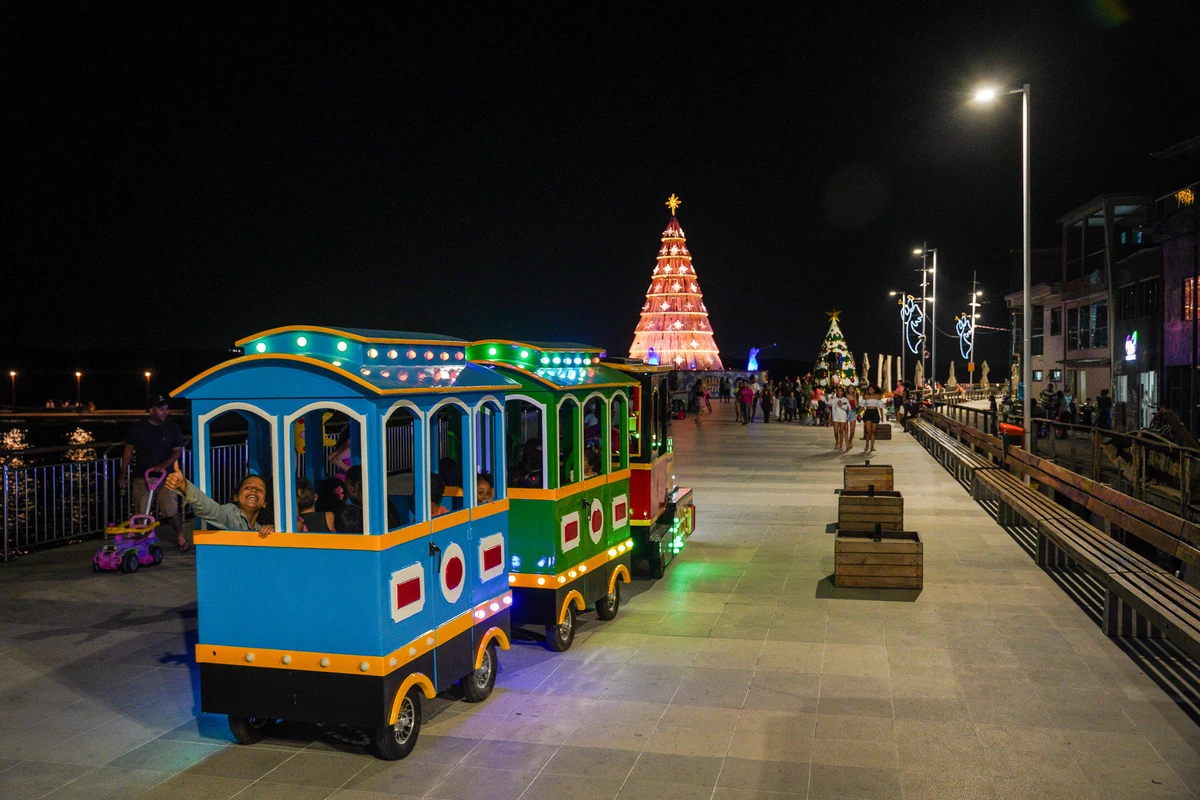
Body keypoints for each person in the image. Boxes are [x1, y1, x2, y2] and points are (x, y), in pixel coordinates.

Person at [121, 395, 186, 551]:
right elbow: (128, 450)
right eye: (161, 409)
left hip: (166, 477)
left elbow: (177, 451)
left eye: (167, 409)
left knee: (170, 510)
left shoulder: (172, 427)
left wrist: (163, 465)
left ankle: (180, 535)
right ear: (151, 410)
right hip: (142, 475)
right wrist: (123, 473)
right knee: (140, 512)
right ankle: (141, 542)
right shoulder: (138, 427)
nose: (165, 412)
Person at [164, 461, 274, 535]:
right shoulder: (232, 515)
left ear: (265, 503)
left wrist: (272, 533)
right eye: (247, 487)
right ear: (236, 497)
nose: (253, 490)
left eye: (259, 489)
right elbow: (212, 510)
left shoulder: (260, 528)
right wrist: (184, 486)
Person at [861, 385, 885, 454]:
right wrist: (859, 414)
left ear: (874, 390)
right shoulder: (865, 396)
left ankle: (872, 446)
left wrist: (882, 416)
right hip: (868, 413)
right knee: (868, 431)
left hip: (875, 413)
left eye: (871, 389)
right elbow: (862, 406)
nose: (870, 391)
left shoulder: (877, 396)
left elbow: (880, 407)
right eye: (869, 389)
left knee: (873, 431)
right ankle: (867, 444)